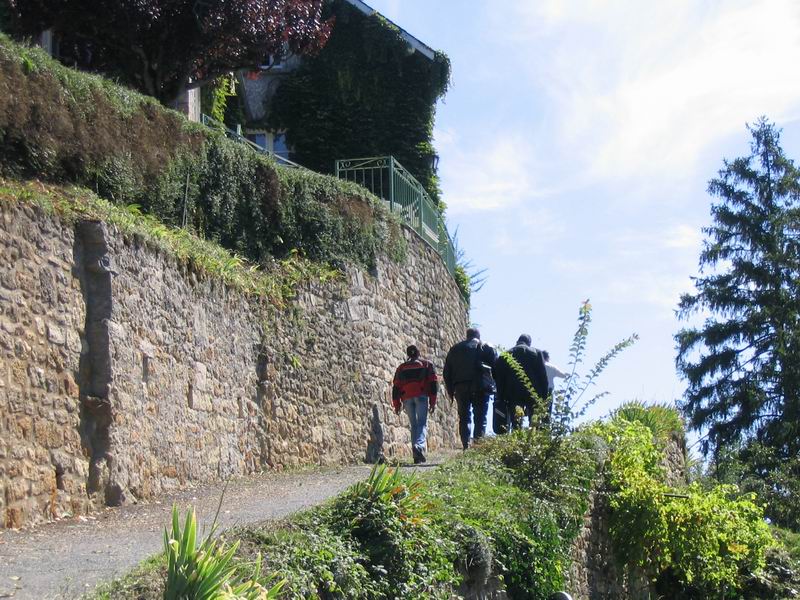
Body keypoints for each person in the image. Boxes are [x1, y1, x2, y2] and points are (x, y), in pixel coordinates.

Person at [444, 328, 490, 449]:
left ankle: (466, 444)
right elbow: (495, 367)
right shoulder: (485, 347)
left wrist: (450, 391)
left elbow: (447, 372)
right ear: (478, 336)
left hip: (461, 387)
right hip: (480, 386)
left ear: (467, 336)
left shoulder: (455, 349)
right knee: (480, 417)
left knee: (464, 417)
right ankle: (478, 444)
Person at [392, 344, 438, 464]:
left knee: (414, 425)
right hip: (421, 396)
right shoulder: (427, 364)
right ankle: (419, 446)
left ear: (408, 354)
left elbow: (396, 387)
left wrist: (397, 404)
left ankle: (416, 455)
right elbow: (433, 383)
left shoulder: (401, 368)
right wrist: (433, 402)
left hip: (406, 398)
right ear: (418, 353)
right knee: (422, 423)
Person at [493, 334, 549, 431]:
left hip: (513, 391)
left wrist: (501, 396)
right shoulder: (537, 353)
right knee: (535, 420)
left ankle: (517, 436)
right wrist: (544, 396)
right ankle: (534, 437)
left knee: (516, 421)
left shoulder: (506, 354)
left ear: (517, 342)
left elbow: (499, 376)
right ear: (529, 343)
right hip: (533, 391)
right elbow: (543, 376)